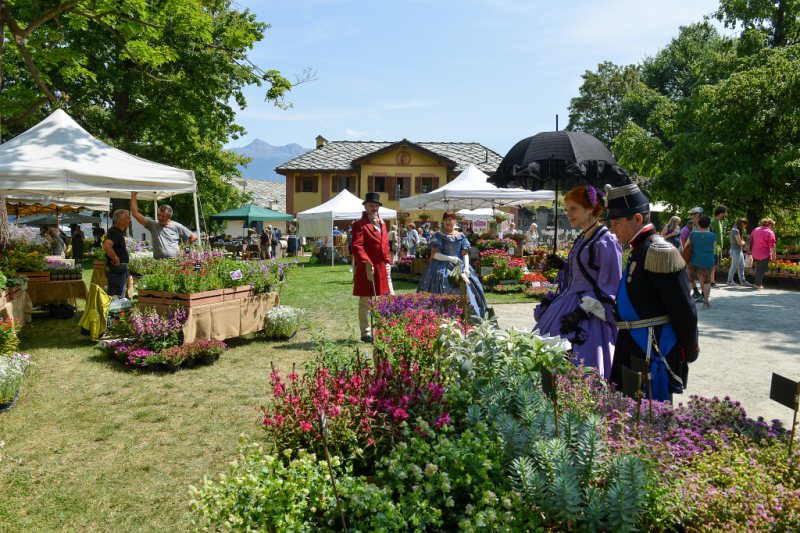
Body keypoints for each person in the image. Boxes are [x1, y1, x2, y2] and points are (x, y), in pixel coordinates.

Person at [607, 184, 699, 403]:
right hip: (632, 344)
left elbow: (683, 308)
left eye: (616, 222)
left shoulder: (659, 251)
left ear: (637, 219)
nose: (612, 229)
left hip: (651, 347)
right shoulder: (639, 250)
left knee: (651, 420)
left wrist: (689, 348)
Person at [533, 185, 622, 380]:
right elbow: (583, 273)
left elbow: (611, 284)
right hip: (567, 303)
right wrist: (563, 266)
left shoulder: (606, 240)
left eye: (574, 209)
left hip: (590, 314)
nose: (568, 214)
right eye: (567, 209)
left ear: (590, 209)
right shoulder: (583, 237)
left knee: (582, 369)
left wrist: (581, 311)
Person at [418, 210, 487, 320]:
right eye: (446, 220)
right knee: (444, 284)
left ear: (455, 221)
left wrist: (466, 268)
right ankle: (440, 317)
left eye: (451, 219)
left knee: (467, 286)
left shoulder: (461, 236)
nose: (448, 222)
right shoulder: (439, 235)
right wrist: (450, 258)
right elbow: (434, 254)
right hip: (441, 266)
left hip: (460, 265)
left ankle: (468, 318)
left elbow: (465, 254)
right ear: (443, 222)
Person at [351, 192, 392, 342]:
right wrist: (366, 262)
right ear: (365, 207)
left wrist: (388, 260)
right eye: (371, 205)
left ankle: (381, 329)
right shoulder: (359, 224)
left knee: (381, 299)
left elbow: (385, 244)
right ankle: (366, 332)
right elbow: (357, 246)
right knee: (365, 301)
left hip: (382, 267)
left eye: (376, 205)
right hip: (367, 267)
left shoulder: (382, 223)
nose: (374, 208)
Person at [130, 192, 197, 259]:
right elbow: (135, 213)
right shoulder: (153, 225)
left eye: (163, 216)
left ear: (169, 216)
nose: (160, 218)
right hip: (158, 262)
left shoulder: (177, 226)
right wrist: (133, 195)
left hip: (174, 262)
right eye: (159, 215)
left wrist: (185, 250)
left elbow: (193, 237)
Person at [688, 216, 716, 309]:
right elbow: (714, 249)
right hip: (707, 261)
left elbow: (686, 246)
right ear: (709, 225)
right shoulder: (713, 236)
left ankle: (686, 301)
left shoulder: (692, 235)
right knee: (707, 281)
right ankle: (705, 303)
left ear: (698, 224)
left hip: (694, 260)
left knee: (690, 280)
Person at [103, 209, 131, 298]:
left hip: (118, 269)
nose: (129, 220)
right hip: (117, 269)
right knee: (117, 295)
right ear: (120, 220)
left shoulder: (116, 231)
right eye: (127, 218)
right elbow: (107, 246)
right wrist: (116, 259)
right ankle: (115, 311)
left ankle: (111, 310)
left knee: (114, 294)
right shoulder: (115, 231)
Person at [682, 207, 703, 300]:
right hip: (693, 254)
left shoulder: (703, 224)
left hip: (699, 254)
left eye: (692, 214)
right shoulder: (695, 224)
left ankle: (702, 295)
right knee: (690, 274)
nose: (691, 216)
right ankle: (695, 292)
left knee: (700, 275)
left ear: (697, 215)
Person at [750, 218, 776, 289]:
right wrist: (774, 256)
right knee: (761, 269)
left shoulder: (756, 230)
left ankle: (757, 283)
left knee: (759, 268)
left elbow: (750, 240)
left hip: (755, 253)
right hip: (764, 254)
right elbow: (771, 247)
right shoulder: (770, 232)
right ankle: (757, 285)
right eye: (772, 225)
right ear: (769, 224)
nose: (772, 227)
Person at [727, 218, 751, 287]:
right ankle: (729, 281)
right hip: (736, 251)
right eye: (745, 226)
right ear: (742, 224)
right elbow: (740, 242)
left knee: (742, 266)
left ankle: (742, 281)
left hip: (738, 251)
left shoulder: (736, 230)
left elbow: (740, 242)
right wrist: (745, 242)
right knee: (734, 266)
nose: (744, 227)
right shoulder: (735, 230)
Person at [710, 205, 728, 287]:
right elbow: (710, 234)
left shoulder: (720, 222)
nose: (726, 214)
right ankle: (711, 282)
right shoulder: (713, 222)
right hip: (714, 247)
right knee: (713, 264)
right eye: (725, 212)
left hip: (719, 247)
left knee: (716, 264)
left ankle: (712, 280)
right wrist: (714, 247)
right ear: (721, 213)